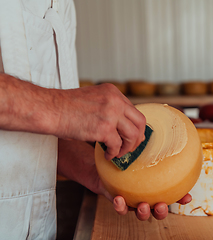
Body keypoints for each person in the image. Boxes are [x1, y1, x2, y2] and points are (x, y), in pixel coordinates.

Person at [0, 1, 191, 239]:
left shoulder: (63, 5)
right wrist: (62, 107)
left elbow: (37, 132)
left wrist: (99, 173)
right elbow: (57, 113)